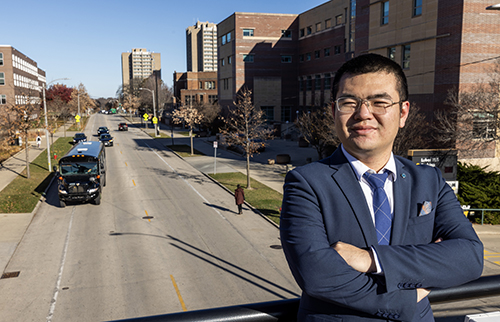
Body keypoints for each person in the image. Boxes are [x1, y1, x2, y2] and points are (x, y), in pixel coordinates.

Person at [280, 54, 483, 322]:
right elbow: (317, 275)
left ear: (402, 113)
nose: (363, 114)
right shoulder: (306, 183)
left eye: (379, 102)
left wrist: (372, 259)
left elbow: (469, 256)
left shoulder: (429, 181)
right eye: (349, 102)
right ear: (333, 112)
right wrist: (409, 295)